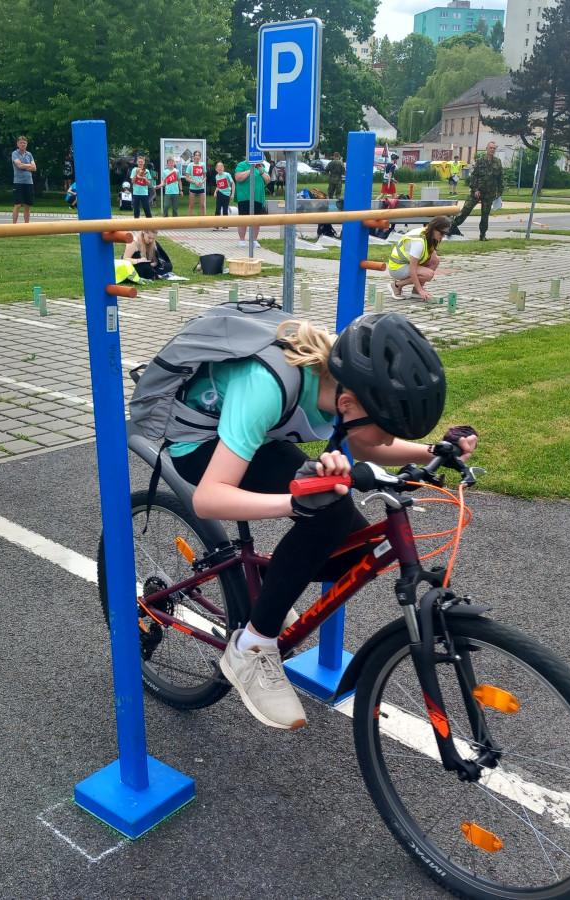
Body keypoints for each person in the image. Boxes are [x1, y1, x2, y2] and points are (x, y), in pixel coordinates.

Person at [165, 311, 476, 729]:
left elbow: (366, 444)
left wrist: (433, 452)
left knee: (359, 550)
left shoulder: (341, 387)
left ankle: (272, 588)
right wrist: (296, 504)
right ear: (347, 406)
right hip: (199, 446)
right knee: (327, 511)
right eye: (387, 429)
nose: (388, 439)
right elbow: (208, 500)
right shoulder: (266, 387)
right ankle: (251, 648)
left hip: (261, 435)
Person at [387, 215, 450, 301]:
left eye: (446, 233)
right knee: (428, 274)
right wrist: (421, 290)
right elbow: (412, 268)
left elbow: (432, 255)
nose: (443, 236)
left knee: (435, 260)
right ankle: (396, 285)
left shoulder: (429, 234)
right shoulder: (418, 242)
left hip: (406, 264)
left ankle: (415, 291)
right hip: (397, 267)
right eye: (442, 233)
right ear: (434, 229)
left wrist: (433, 254)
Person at [451, 141, 504, 241]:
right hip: (477, 192)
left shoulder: (497, 162)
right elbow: (474, 176)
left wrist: (500, 190)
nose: (492, 150)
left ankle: (482, 234)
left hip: (489, 193)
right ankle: (452, 227)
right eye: (490, 148)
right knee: (466, 209)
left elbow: (500, 177)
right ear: (486, 148)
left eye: (494, 148)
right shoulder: (480, 161)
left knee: (485, 215)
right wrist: (475, 189)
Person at [234, 157, 270, 248]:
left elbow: (268, 180)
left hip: (257, 197)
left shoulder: (261, 166)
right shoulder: (242, 165)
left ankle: (254, 240)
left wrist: (261, 171)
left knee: (256, 220)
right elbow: (238, 178)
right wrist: (251, 169)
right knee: (243, 219)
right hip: (244, 197)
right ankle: (242, 240)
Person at [11, 136, 36, 224]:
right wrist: (29, 165)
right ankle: (14, 225)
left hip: (28, 182)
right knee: (17, 205)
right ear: (17, 144)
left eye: (24, 143)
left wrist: (24, 165)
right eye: (21, 143)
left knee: (27, 205)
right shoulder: (15, 153)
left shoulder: (29, 154)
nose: (23, 144)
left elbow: (34, 168)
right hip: (18, 182)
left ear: (26, 144)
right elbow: (19, 165)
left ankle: (27, 225)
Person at [186, 150, 207, 216]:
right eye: (196, 155)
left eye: (198, 155)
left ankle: (202, 220)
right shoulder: (190, 165)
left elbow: (205, 177)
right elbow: (187, 178)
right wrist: (195, 182)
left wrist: (202, 182)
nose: (197, 157)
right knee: (191, 205)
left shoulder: (203, 165)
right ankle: (189, 219)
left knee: (202, 205)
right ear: (194, 156)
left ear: (200, 157)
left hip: (201, 187)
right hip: (193, 188)